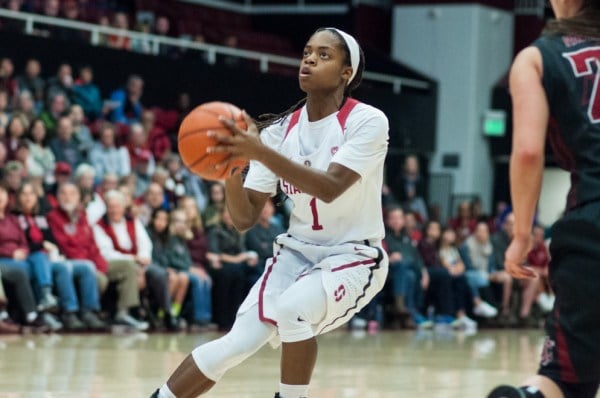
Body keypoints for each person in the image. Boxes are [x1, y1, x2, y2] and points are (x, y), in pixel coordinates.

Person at [151, 27, 389, 398]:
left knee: (293, 309)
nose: (309, 59)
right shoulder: (278, 134)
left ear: (347, 73)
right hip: (295, 252)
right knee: (237, 342)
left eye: (324, 55)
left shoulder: (368, 122)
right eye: (307, 51)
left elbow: (329, 187)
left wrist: (259, 151)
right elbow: (245, 219)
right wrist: (229, 169)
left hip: (353, 255)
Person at [487, 2, 600, 398]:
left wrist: (521, 234)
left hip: (592, 225)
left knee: (566, 381)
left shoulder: (538, 57)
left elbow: (529, 153)